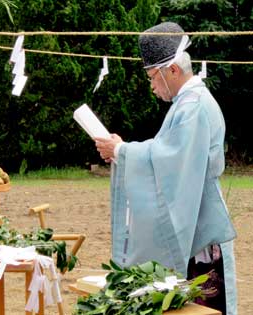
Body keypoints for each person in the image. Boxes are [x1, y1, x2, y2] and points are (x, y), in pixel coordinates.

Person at [94, 22, 237, 315]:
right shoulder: (187, 103)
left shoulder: (193, 105)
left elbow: (171, 160)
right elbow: (166, 151)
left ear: (172, 70)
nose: (152, 86)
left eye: (152, 77)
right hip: (197, 215)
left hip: (200, 225)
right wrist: (123, 149)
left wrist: (121, 150)